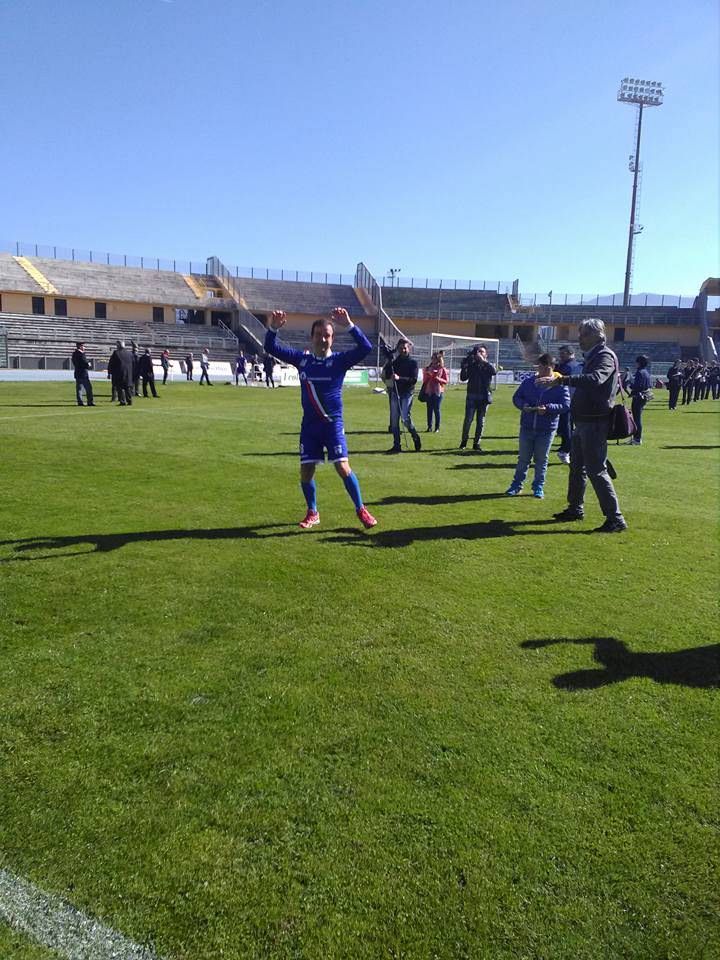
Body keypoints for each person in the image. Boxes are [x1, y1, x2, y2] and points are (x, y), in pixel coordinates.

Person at [264, 307, 377, 530]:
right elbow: (270, 347)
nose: (322, 339)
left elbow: (366, 347)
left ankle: (361, 509)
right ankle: (312, 512)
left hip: (333, 425)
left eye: (327, 335)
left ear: (332, 339)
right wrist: (273, 329)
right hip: (310, 427)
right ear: (312, 337)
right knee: (306, 472)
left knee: (343, 468)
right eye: (318, 335)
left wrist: (349, 325)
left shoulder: (340, 361)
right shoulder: (302, 360)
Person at [537, 318, 627, 533]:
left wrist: (562, 380)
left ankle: (615, 519)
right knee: (577, 468)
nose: (580, 338)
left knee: (596, 470)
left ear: (598, 335)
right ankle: (575, 508)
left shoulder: (604, 356)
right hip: (584, 420)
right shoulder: (594, 355)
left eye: (584, 334)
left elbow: (596, 379)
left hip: (594, 421)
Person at [506, 355, 570, 499]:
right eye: (538, 366)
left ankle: (538, 487)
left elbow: (566, 405)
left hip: (547, 429)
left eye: (541, 367)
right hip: (527, 426)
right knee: (523, 458)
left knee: (541, 460)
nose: (539, 370)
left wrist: (548, 408)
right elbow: (517, 397)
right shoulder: (529, 382)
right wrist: (524, 406)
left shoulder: (559, 385)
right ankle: (516, 486)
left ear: (550, 367)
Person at [383, 339, 422, 453]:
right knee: (394, 421)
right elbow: (388, 374)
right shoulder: (395, 362)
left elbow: (413, 380)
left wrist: (400, 378)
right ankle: (396, 445)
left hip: (407, 393)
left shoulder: (413, 363)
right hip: (395, 392)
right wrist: (388, 361)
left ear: (408, 348)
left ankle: (415, 436)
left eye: (405, 348)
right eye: (400, 348)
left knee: (405, 418)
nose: (403, 350)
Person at [459, 344, 496, 451]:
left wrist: (483, 361)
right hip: (472, 395)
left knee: (481, 421)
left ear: (486, 354)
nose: (479, 354)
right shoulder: (472, 364)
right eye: (478, 352)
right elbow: (463, 378)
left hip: (484, 397)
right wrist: (464, 367)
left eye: (482, 352)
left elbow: (493, 372)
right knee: (468, 420)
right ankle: (464, 441)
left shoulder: (487, 365)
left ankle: (476, 443)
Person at [555, 345, 582, 463]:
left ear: (570, 354)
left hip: (567, 400)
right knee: (568, 426)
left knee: (566, 426)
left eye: (563, 354)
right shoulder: (570, 365)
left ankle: (566, 449)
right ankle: (568, 448)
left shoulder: (569, 367)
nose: (560, 356)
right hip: (572, 400)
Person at [627, 355, 652, 445]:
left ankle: (637, 438)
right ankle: (636, 438)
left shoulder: (639, 372)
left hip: (638, 397)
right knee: (638, 418)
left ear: (639, 363)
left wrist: (630, 385)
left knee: (637, 419)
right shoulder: (646, 372)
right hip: (644, 397)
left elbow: (638, 386)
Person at [422, 351, 449, 432]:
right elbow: (424, 380)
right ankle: (429, 427)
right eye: (432, 358)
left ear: (438, 360)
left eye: (434, 358)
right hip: (429, 391)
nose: (433, 360)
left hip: (438, 391)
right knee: (429, 409)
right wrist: (427, 374)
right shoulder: (428, 368)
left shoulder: (442, 369)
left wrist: (438, 379)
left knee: (436, 409)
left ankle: (437, 427)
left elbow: (446, 381)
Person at [108, 340, 134, 406]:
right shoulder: (130, 353)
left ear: (118, 346)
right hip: (128, 373)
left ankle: (122, 401)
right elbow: (133, 363)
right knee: (127, 387)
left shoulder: (116, 353)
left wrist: (110, 372)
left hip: (119, 373)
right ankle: (129, 400)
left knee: (120, 388)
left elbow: (111, 363)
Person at [70, 342, 95, 407]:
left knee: (79, 389)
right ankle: (90, 402)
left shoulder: (74, 354)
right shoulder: (81, 354)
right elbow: (84, 363)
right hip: (83, 373)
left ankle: (80, 402)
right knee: (88, 388)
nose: (84, 347)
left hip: (77, 373)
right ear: (80, 346)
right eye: (83, 346)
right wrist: (89, 364)